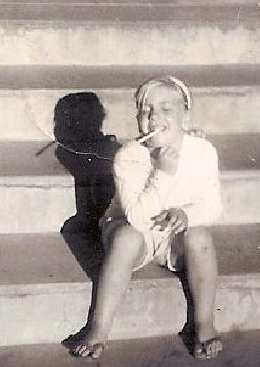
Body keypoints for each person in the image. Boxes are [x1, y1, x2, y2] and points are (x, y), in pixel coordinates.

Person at [73, 76, 223, 360]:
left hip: (173, 239)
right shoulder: (129, 156)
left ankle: (204, 323)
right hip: (133, 231)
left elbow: (213, 206)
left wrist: (186, 215)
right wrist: (162, 173)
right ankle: (99, 327)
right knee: (126, 238)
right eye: (146, 110)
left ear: (185, 117)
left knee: (201, 237)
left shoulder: (202, 152)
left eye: (166, 109)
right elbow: (137, 219)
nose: (154, 117)